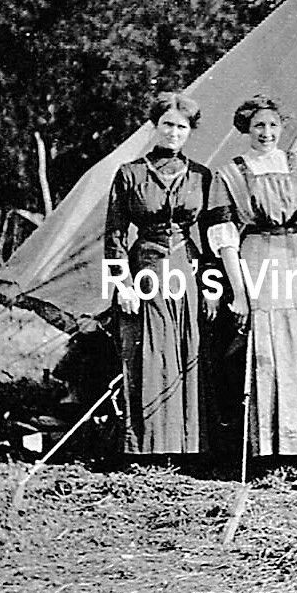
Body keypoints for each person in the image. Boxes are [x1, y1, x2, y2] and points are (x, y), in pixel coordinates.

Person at [205, 95, 297, 460]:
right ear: (246, 130)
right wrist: (238, 290)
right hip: (254, 259)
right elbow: (223, 236)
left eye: (272, 125)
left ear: (283, 127)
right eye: (258, 126)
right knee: (265, 349)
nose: (266, 133)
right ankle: (268, 447)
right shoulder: (230, 173)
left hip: (294, 261)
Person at [104, 92, 211, 457]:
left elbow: (212, 235)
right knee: (147, 353)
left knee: (186, 350)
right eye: (167, 124)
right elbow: (115, 234)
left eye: (182, 127)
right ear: (154, 126)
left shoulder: (201, 175)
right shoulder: (130, 173)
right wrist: (123, 285)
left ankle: (186, 446)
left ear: (190, 131)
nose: (173, 133)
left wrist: (211, 286)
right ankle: (146, 446)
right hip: (145, 267)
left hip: (187, 269)